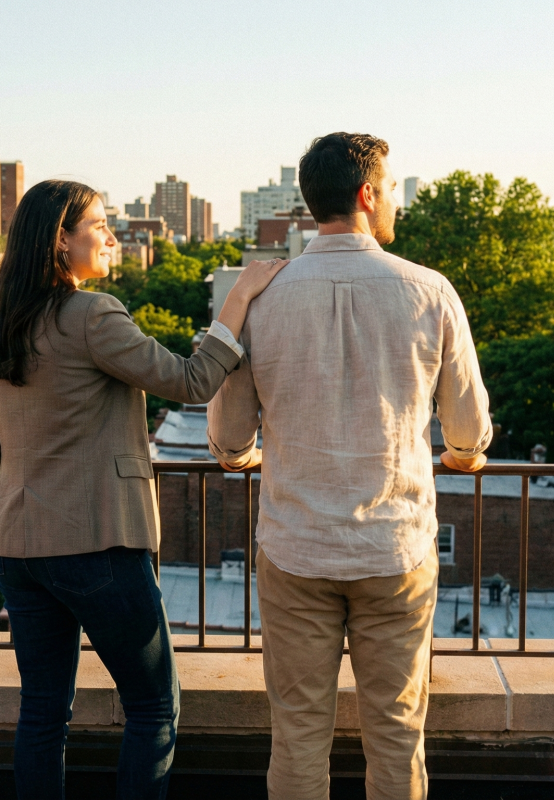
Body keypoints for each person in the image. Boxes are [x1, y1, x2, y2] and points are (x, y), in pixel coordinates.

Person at [0, 179, 286, 800]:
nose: (112, 236)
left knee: (42, 714)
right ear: (61, 239)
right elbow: (192, 383)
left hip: (16, 547)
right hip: (98, 544)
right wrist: (241, 295)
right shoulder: (91, 313)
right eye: (99, 225)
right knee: (151, 708)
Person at [207, 133, 491, 800]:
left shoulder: (261, 300)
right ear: (367, 195)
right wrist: (462, 457)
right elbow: (470, 429)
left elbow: (226, 437)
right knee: (396, 732)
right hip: (395, 550)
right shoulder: (430, 291)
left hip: (296, 547)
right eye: (389, 189)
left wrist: (244, 455)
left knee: (299, 733)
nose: (393, 201)